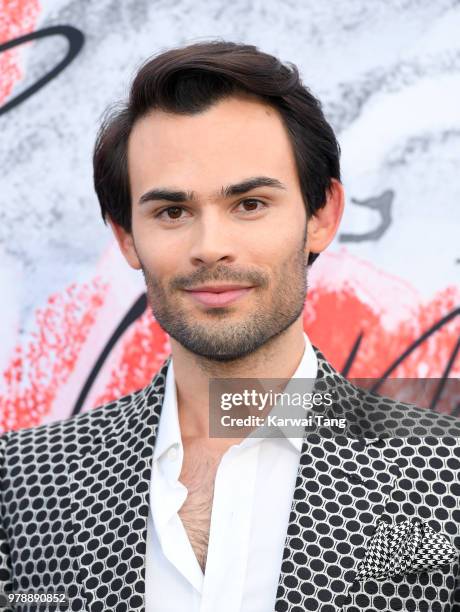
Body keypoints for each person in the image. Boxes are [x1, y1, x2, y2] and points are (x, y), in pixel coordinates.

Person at [1, 40, 459, 612]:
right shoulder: (21, 482)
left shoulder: (445, 472)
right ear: (126, 237)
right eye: (172, 212)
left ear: (321, 217)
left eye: (249, 204)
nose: (210, 247)